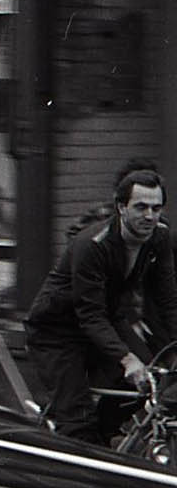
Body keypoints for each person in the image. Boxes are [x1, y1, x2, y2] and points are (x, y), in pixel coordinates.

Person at [24, 168, 177, 446]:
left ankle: (103, 440)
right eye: (140, 207)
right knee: (77, 420)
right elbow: (90, 315)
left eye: (156, 208)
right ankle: (80, 442)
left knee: (152, 383)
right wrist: (126, 359)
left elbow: (167, 303)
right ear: (121, 207)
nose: (149, 216)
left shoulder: (159, 238)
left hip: (108, 319)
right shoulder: (92, 245)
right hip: (58, 331)